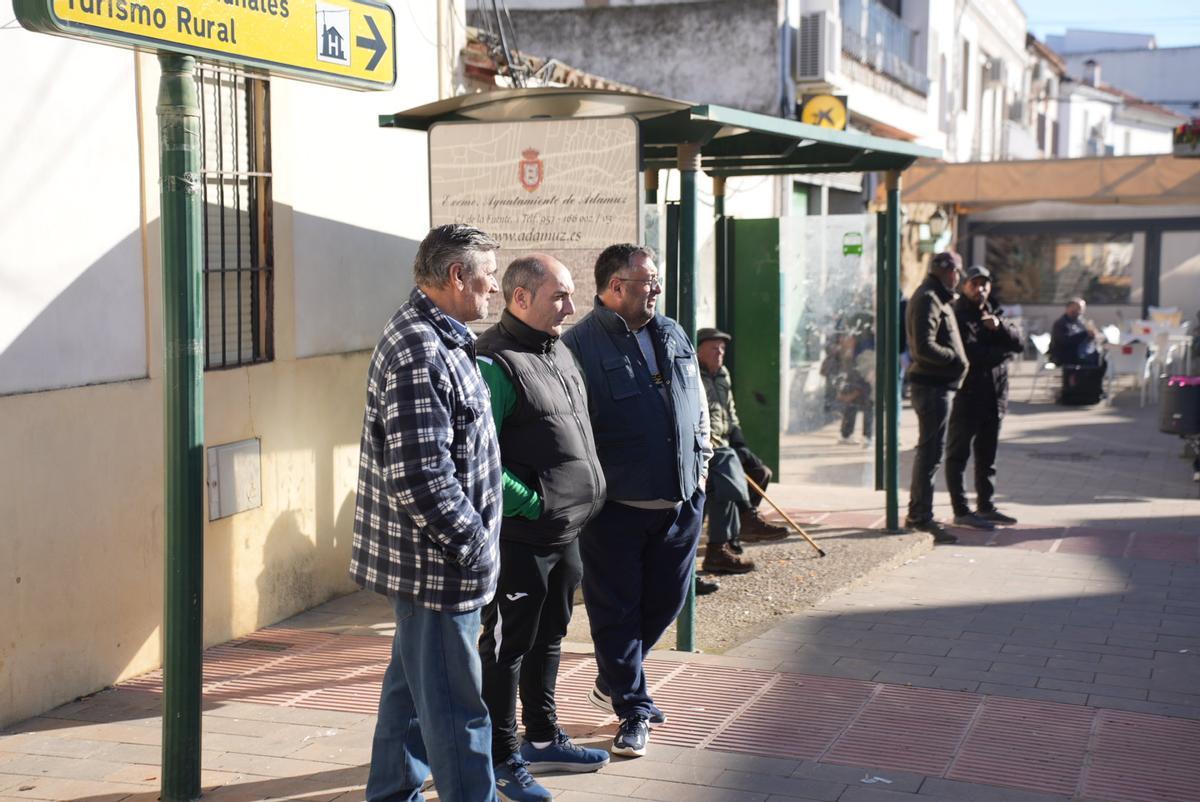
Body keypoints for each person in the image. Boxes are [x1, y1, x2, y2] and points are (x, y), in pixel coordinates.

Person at [350, 224, 503, 802]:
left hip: (434, 564)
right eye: (487, 278)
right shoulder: (420, 346)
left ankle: (391, 793)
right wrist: (476, 547)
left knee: (412, 698)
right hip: (439, 567)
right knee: (457, 710)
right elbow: (421, 475)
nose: (492, 289)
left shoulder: (441, 334)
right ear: (457, 276)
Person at [562, 244, 711, 758]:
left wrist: (704, 466)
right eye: (647, 281)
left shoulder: (672, 332)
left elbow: (697, 405)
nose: (657, 288)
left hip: (681, 502)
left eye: (656, 280)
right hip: (616, 510)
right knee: (615, 611)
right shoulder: (578, 345)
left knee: (665, 602)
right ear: (615, 286)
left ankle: (613, 677)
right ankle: (632, 708)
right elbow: (570, 430)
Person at [474, 254, 610, 801]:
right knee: (507, 646)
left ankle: (543, 736)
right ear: (520, 298)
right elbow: (479, 460)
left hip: (564, 533)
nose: (572, 307)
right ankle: (501, 756)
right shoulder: (493, 362)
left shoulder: (558, 351)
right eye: (560, 296)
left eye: (572, 294)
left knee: (550, 636)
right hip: (522, 538)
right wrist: (532, 504)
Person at [696, 327, 788, 576]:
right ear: (699, 350)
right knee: (726, 470)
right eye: (714, 347)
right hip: (706, 448)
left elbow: (731, 414)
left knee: (761, 472)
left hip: (724, 445)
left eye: (723, 348)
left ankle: (733, 536)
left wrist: (740, 444)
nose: (720, 352)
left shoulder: (723, 375)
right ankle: (743, 522)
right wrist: (726, 448)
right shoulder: (694, 376)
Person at [944, 266, 1024, 531]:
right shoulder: (959, 314)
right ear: (964, 286)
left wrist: (999, 328)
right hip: (968, 396)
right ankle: (961, 509)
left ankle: (986, 506)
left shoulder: (994, 311)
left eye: (984, 284)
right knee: (958, 455)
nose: (980, 289)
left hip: (995, 396)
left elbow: (1019, 342)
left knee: (987, 457)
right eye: (974, 284)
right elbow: (973, 354)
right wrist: (1004, 351)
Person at [904, 250, 969, 543]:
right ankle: (920, 516)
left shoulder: (937, 296)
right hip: (931, 387)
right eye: (957, 272)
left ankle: (919, 513)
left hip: (938, 386)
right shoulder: (929, 297)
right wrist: (955, 359)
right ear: (948, 271)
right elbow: (923, 347)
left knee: (930, 454)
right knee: (929, 454)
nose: (959, 278)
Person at [1050, 298, 1103, 366]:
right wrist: (1085, 334)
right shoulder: (1061, 323)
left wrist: (1091, 336)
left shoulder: (1079, 321)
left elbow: (1084, 339)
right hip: (1065, 355)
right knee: (1096, 359)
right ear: (1069, 308)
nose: (1081, 311)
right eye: (1079, 308)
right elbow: (1064, 342)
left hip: (1080, 353)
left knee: (1101, 356)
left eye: (1082, 309)